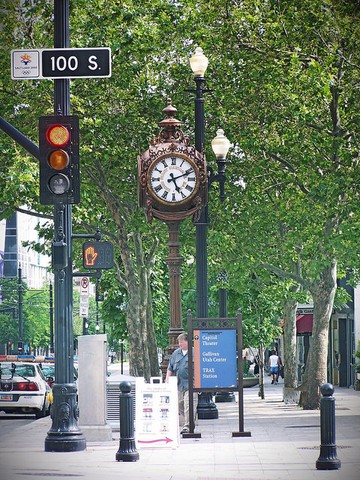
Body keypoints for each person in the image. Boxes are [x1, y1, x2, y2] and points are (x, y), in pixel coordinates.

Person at [165, 332, 196, 434]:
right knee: (180, 404)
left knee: (189, 404)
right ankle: (189, 421)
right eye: (179, 342)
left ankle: (188, 426)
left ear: (187, 342)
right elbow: (170, 367)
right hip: (179, 385)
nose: (180, 344)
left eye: (181, 342)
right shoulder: (176, 353)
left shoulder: (194, 353)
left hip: (191, 384)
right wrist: (167, 379)